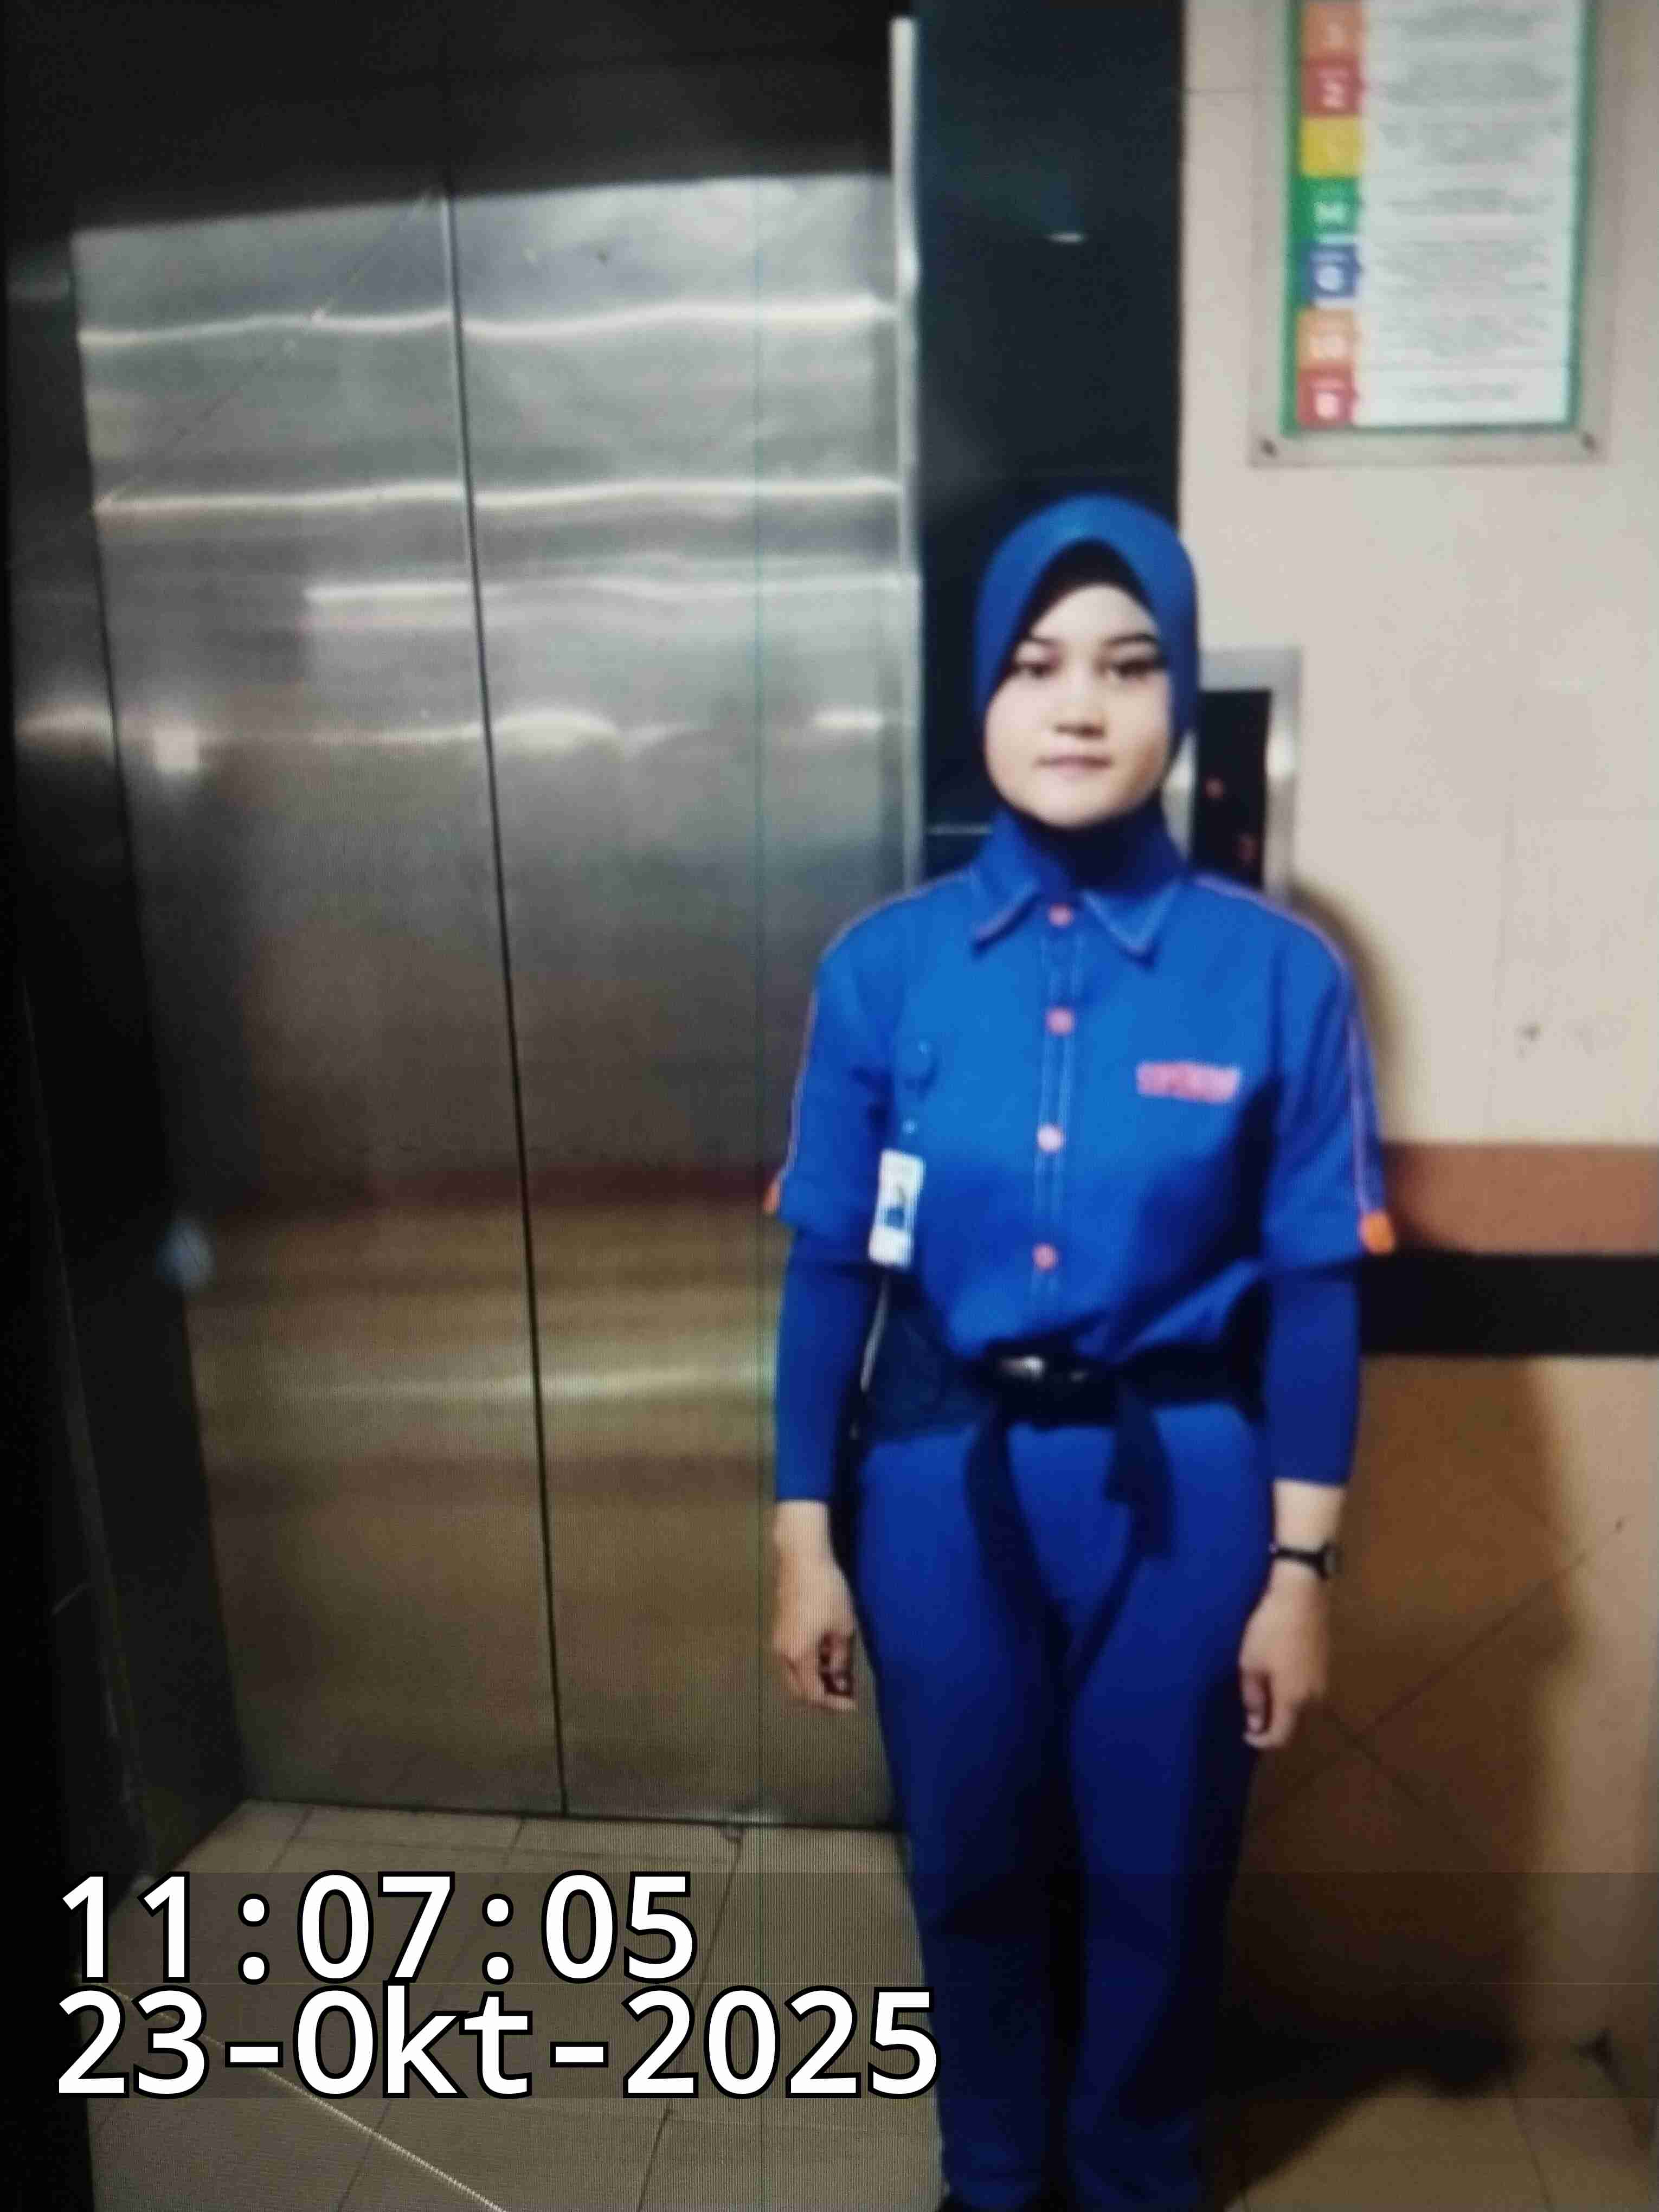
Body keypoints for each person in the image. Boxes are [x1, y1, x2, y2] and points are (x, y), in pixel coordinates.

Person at [767, 493, 1392, 2212]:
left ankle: (1132, 2178)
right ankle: (988, 2176)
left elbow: (1316, 1294)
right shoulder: (883, 970)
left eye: (1127, 666)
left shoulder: (1277, 977)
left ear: (1178, 697)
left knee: (1157, 1871)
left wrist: (1298, 1572)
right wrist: (804, 1537)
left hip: (1183, 1489)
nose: (1078, 706)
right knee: (965, 1861)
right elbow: (829, 1268)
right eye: (1035, 665)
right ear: (981, 695)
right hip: (931, 1479)